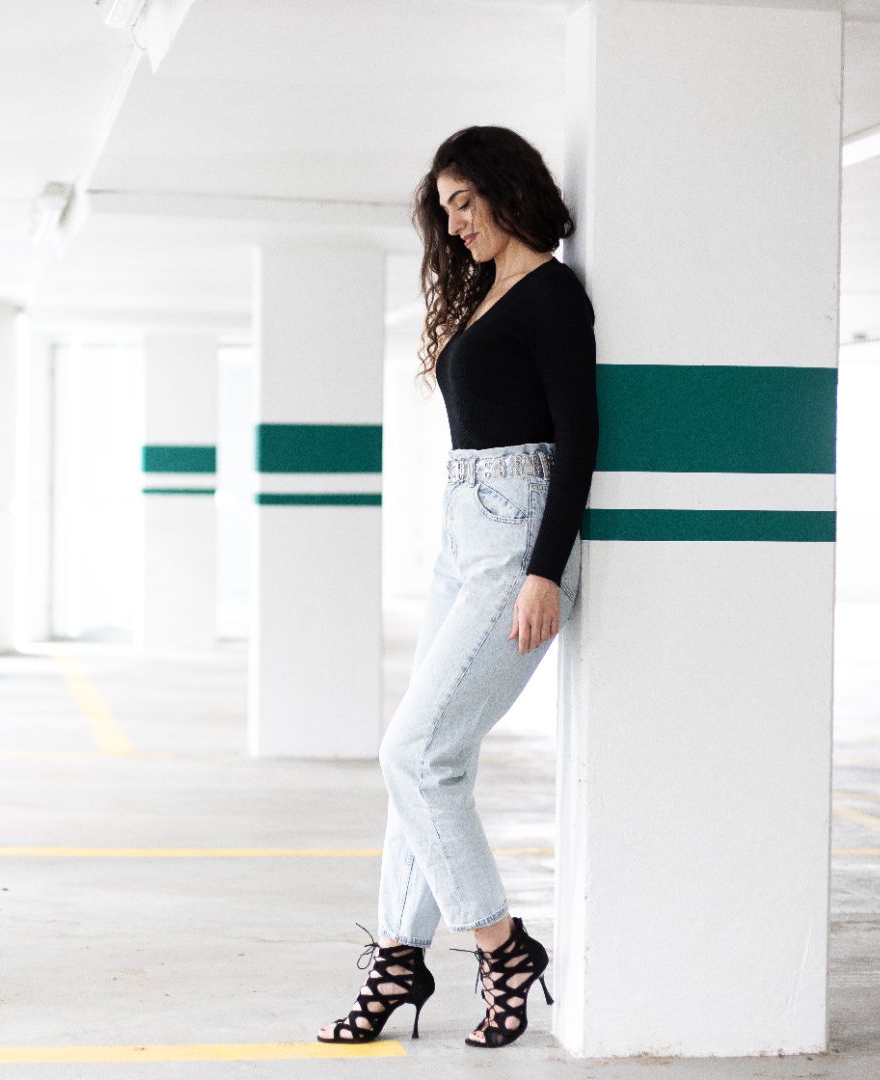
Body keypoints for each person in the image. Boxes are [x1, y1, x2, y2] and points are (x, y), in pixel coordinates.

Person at [317, 125, 598, 1049]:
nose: (457, 223)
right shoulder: (485, 295)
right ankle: (400, 955)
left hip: (515, 539)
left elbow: (578, 437)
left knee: (411, 752)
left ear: (508, 189)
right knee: (437, 761)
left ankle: (499, 942)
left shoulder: (553, 293)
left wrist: (544, 571)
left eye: (466, 202)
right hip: (461, 532)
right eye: (445, 211)